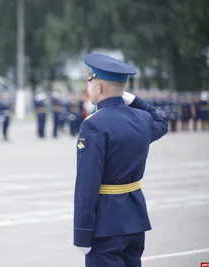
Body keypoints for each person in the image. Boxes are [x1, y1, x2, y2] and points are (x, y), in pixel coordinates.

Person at [73, 53, 168, 267]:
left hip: (106, 226)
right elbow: (161, 123)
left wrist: (82, 233)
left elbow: (87, 184)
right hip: (135, 219)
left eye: (90, 82)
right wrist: (136, 101)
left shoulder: (94, 125)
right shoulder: (142, 119)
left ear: (98, 88)